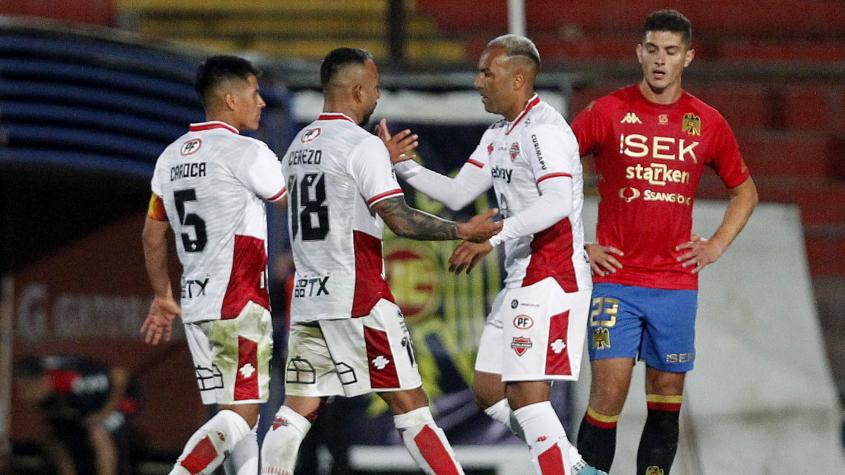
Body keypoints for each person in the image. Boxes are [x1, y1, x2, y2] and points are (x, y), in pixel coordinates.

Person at [259, 47, 501, 475]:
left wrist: (376, 166)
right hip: (360, 296)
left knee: (294, 412)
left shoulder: (299, 146)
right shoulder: (360, 144)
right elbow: (401, 220)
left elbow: (315, 200)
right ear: (356, 90)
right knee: (412, 408)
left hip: (311, 298)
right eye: (374, 88)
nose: (377, 96)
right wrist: (461, 230)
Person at [383, 35, 604, 475]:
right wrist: (401, 166)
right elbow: (459, 190)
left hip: (551, 276)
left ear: (519, 78)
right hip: (522, 276)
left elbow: (557, 200)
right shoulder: (500, 132)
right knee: (487, 391)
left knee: (526, 396)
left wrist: (496, 237)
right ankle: (574, 466)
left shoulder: (543, 129)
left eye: (488, 72)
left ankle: (567, 470)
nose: (478, 80)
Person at [569, 10, 759, 475]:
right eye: (652, 49)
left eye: (671, 52)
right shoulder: (607, 112)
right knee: (608, 394)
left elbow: (746, 192)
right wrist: (579, 244)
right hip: (616, 281)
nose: (660, 60)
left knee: (666, 397)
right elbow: (555, 175)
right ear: (639, 52)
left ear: (687, 58)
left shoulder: (707, 122)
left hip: (675, 285)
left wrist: (714, 246)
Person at [141, 55, 288, 475]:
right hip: (238, 301)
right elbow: (288, 198)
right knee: (240, 416)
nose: (260, 102)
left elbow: (153, 233)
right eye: (254, 93)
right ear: (229, 98)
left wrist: (162, 295)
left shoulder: (170, 158)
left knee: (239, 416)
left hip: (197, 306)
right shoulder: (247, 152)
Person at [13, 355, 137, 475]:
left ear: (43, 381)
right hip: (82, 408)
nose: (24, 395)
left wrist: (104, 412)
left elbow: (120, 375)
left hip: (120, 400)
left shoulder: (74, 381)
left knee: (97, 431)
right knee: (49, 437)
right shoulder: (47, 386)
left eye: (28, 388)